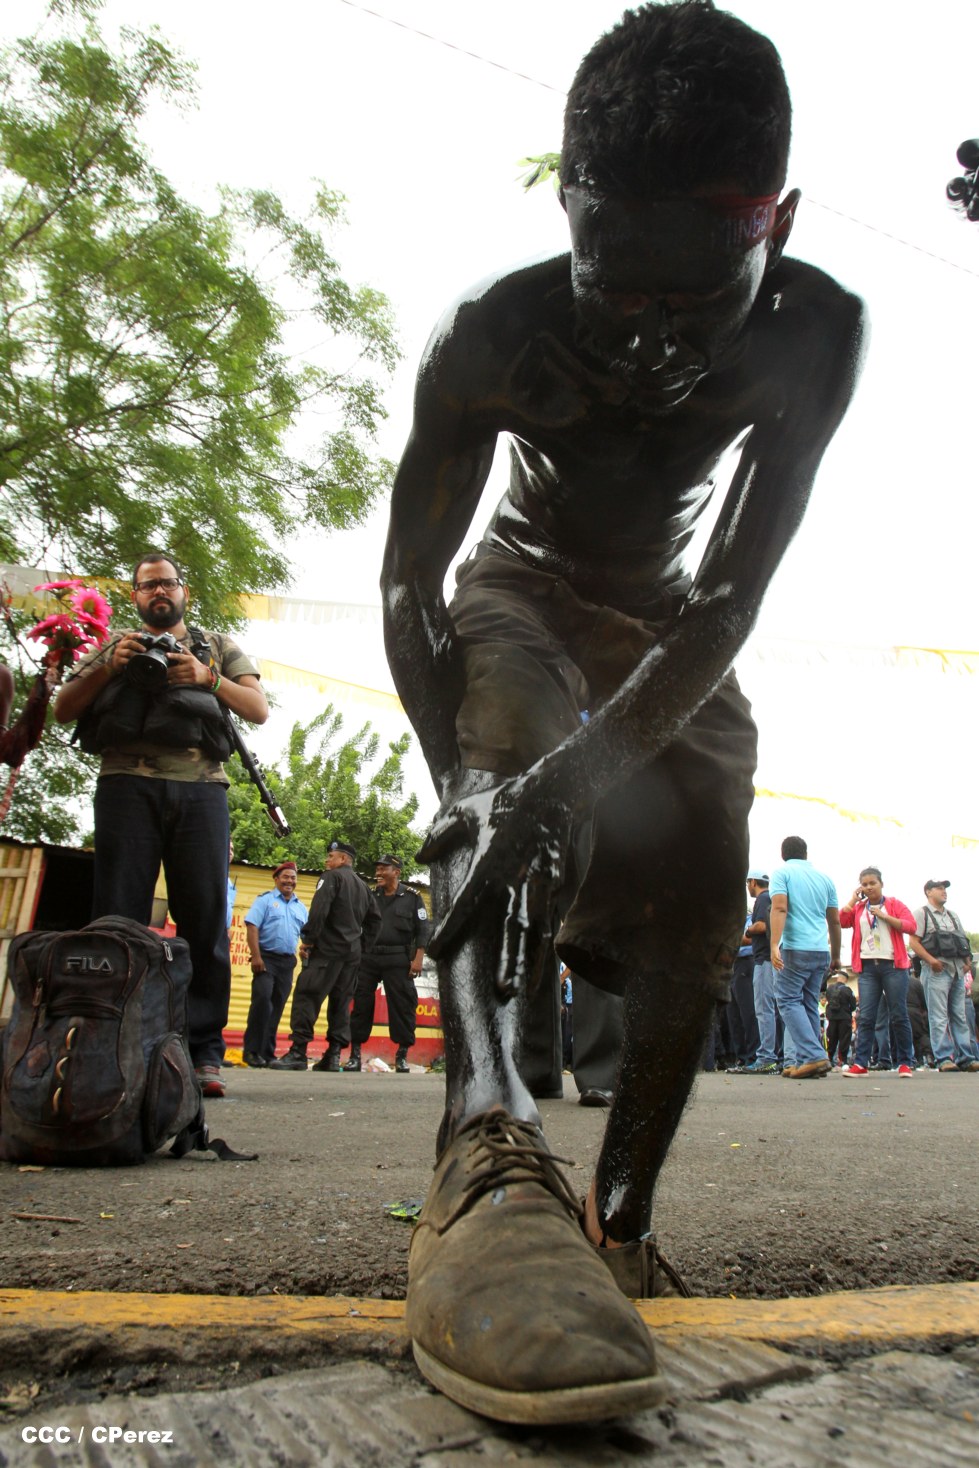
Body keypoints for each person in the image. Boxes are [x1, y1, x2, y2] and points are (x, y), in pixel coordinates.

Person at [382, 0, 864, 1423]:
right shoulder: (493, 332)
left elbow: (726, 602)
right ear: (568, 212)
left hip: (669, 623)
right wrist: (468, 787)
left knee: (705, 872)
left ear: (774, 223)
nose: (650, 345)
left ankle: (623, 1212)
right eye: (615, 292)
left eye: (692, 303)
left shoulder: (814, 333)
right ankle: (485, 1148)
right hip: (522, 585)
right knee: (499, 755)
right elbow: (410, 585)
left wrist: (582, 779)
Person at [54, 551, 268, 1098]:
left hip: (202, 792)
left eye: (167, 583)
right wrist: (110, 665)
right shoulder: (115, 645)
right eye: (148, 586)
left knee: (205, 921)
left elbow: (257, 708)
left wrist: (207, 676)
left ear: (183, 591)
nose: (159, 592)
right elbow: (63, 708)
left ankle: (203, 1053)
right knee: (115, 918)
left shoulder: (215, 645)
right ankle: (108, 1043)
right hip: (125, 787)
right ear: (135, 596)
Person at [270, 841, 380, 1072]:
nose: (326, 860)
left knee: (307, 996)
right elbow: (375, 920)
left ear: (343, 859)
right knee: (341, 1002)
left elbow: (320, 909)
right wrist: (362, 946)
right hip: (351, 955)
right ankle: (333, 1055)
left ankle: (298, 1052)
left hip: (327, 951)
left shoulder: (331, 877)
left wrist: (309, 939)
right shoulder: (363, 886)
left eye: (331, 856)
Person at [345, 854, 429, 1073]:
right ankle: (355, 1054)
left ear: (397, 872)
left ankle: (401, 1055)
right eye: (378, 869)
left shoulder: (412, 897)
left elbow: (423, 929)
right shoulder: (370, 895)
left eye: (384, 869)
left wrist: (418, 958)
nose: (378, 873)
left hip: (398, 958)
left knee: (403, 1005)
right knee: (361, 1003)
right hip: (369, 957)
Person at [769, 837, 842, 1079]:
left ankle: (813, 1056)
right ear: (806, 853)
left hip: (795, 947)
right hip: (820, 950)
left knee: (787, 1000)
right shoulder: (825, 879)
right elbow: (834, 921)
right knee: (809, 1003)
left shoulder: (782, 873)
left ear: (783, 854)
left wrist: (774, 944)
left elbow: (780, 908)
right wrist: (836, 955)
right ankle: (807, 1060)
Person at [838, 867, 916, 1078]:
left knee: (898, 1014)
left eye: (873, 883)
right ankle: (861, 1063)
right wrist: (852, 900)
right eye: (864, 884)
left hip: (893, 966)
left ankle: (905, 1062)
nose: (869, 887)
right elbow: (842, 921)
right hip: (868, 967)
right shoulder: (859, 908)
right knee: (866, 1016)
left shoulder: (894, 904)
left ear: (881, 884)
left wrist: (885, 916)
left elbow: (911, 926)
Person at [242, 860, 309, 1067]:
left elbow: (306, 935)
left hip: (287, 963)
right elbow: (252, 927)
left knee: (277, 1007)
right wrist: (256, 956)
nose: (289, 881)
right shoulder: (265, 900)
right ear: (276, 879)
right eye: (285, 877)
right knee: (262, 1001)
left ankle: (267, 1053)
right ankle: (251, 1051)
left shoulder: (300, 907)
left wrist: (305, 948)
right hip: (266, 959)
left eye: (293, 878)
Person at [908, 880, 979, 1073]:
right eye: (939, 888)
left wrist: (967, 963)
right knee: (938, 1016)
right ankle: (944, 1058)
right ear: (928, 892)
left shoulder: (953, 915)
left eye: (944, 888)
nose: (944, 891)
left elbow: (963, 941)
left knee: (959, 1015)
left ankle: (966, 1057)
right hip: (936, 970)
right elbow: (913, 942)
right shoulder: (922, 913)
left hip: (957, 970)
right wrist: (931, 961)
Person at [738, 869, 779, 1073]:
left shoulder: (762, 899)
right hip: (771, 958)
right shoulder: (772, 897)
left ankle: (766, 1057)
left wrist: (748, 930)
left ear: (753, 882)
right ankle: (778, 1056)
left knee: (763, 1009)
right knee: (774, 1008)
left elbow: (762, 926)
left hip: (763, 958)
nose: (748, 887)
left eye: (748, 883)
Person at [824, 971, 856, 1067]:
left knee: (832, 1039)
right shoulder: (847, 990)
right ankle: (844, 1061)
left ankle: (830, 1059)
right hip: (844, 1018)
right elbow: (853, 1005)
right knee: (844, 1039)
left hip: (832, 1018)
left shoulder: (830, 988)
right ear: (845, 980)